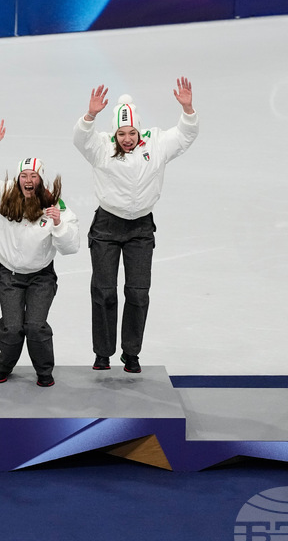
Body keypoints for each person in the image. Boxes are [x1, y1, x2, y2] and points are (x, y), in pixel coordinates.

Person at [72, 79, 197, 374]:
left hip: (140, 228)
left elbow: (185, 134)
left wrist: (187, 108)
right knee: (104, 292)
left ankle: (131, 353)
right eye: (121, 133)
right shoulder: (101, 146)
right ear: (113, 133)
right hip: (106, 227)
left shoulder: (156, 143)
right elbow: (81, 139)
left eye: (131, 132)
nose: (127, 138)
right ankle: (103, 353)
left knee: (138, 293)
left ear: (139, 130)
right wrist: (89, 116)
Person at [0, 120, 79, 387]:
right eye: (24, 176)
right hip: (9, 276)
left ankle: (44, 371)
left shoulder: (54, 205)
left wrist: (58, 224)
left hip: (41, 278)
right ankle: (4, 365)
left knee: (35, 326)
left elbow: (71, 246)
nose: (28, 181)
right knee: (12, 328)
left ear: (40, 180)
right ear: (18, 179)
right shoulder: (5, 196)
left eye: (33, 177)